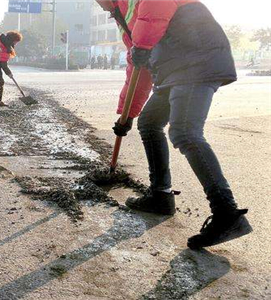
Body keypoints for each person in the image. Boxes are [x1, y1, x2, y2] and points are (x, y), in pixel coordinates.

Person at [96, 0, 252, 249]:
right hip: (174, 71)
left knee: (185, 132)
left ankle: (227, 213)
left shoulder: (138, 4)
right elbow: (139, 71)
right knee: (149, 122)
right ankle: (160, 195)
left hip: (197, 60)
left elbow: (155, 14)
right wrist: (127, 116)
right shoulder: (125, 15)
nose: (98, 5)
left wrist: (143, 45)